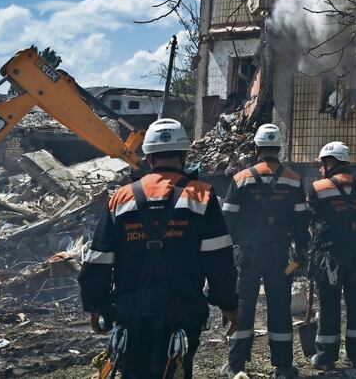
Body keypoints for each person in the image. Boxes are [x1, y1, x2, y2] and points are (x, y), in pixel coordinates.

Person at [79, 118, 239, 379]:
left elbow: (98, 259)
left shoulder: (121, 197)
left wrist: (96, 304)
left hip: (131, 313)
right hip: (183, 311)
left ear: (149, 157)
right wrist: (228, 304)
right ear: (185, 155)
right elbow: (219, 261)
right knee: (176, 371)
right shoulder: (202, 196)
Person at [222, 123, 309, 378]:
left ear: (257, 148)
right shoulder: (293, 180)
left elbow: (228, 221)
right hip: (280, 255)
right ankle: (283, 366)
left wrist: (228, 254)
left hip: (247, 255)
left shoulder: (240, 179)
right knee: (280, 308)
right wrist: (301, 250)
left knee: (243, 306)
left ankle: (236, 365)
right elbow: (302, 222)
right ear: (278, 148)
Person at [306, 141, 356, 371]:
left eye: (322, 164)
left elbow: (311, 220)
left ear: (331, 162)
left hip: (329, 256)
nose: (320, 169)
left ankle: (325, 357)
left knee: (329, 304)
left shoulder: (318, 188)